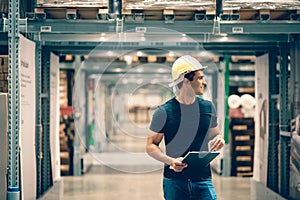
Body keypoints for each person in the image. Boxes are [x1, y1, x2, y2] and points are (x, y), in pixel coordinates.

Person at [146, 55, 225, 200]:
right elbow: (151, 145)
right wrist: (170, 161)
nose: (204, 82)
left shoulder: (208, 107)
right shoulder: (164, 112)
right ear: (187, 81)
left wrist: (219, 139)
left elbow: (215, 134)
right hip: (174, 182)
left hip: (203, 179)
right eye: (200, 78)